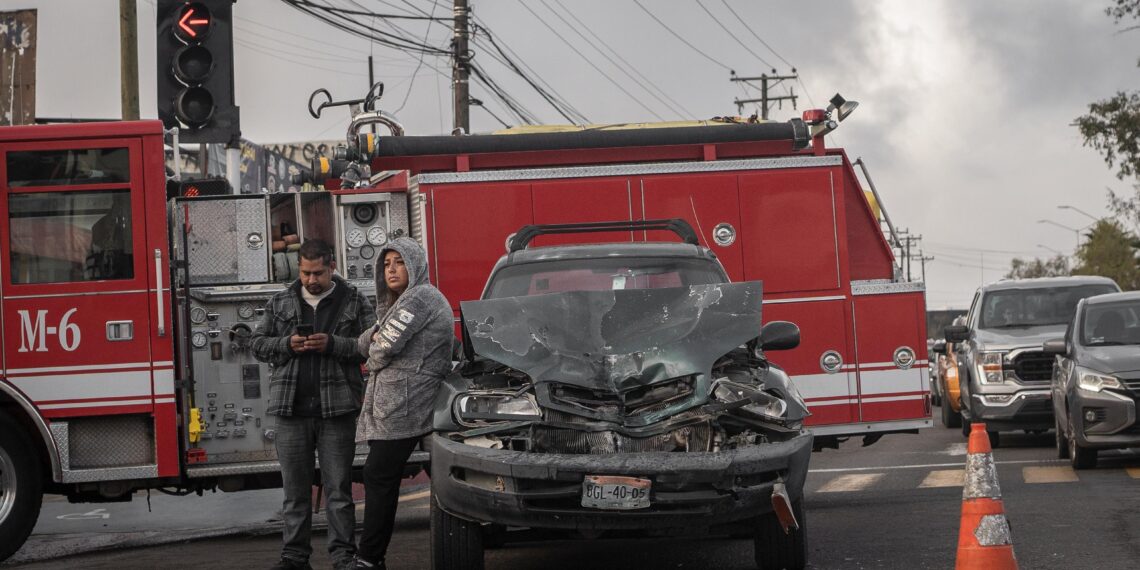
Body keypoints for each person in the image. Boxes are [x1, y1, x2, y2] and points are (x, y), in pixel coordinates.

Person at [251, 239, 374, 570]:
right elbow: (258, 345)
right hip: (290, 411)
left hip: (338, 410)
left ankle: (342, 557)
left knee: (339, 491)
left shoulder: (354, 299)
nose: (310, 280)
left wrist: (333, 344)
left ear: (332, 267)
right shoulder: (280, 301)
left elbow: (373, 346)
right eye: (305, 273)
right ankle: (294, 558)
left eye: (317, 272)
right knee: (295, 494)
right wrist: (287, 344)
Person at [351, 237, 453, 570]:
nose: (392, 270)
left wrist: (375, 354)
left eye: (399, 263)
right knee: (389, 475)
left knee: (379, 475)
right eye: (386, 264)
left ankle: (369, 558)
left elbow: (381, 347)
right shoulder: (404, 302)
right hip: (398, 406)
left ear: (415, 265)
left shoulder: (421, 298)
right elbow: (366, 339)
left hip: (407, 407)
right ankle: (370, 557)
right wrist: (374, 342)